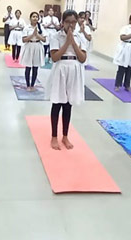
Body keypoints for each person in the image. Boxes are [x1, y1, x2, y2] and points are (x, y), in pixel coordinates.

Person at [48, 10, 87, 150]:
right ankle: (54, 136)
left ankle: (65, 136)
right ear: (62, 22)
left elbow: (82, 58)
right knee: (57, 103)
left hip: (74, 69)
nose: (71, 25)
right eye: (68, 22)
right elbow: (54, 57)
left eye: (73, 22)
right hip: (60, 69)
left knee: (68, 104)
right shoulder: (55, 36)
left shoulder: (80, 37)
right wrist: (67, 42)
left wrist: (73, 42)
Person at [21, 12, 47, 91]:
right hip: (29, 47)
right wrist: (32, 35)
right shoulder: (27, 27)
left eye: (36, 17)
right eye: (33, 16)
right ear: (30, 18)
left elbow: (44, 39)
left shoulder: (41, 27)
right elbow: (24, 40)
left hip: (37, 47)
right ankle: (28, 85)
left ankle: (32, 85)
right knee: (28, 67)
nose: (35, 18)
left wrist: (37, 35)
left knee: (35, 67)